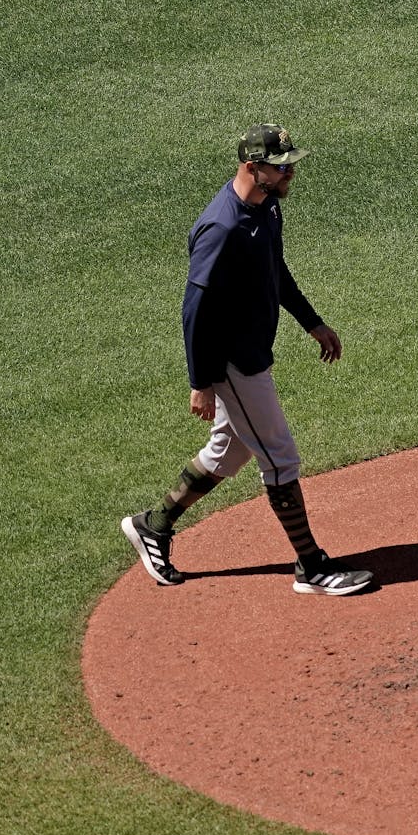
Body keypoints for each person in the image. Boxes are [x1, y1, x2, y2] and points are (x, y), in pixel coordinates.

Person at [121, 123, 374, 596]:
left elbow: (275, 269)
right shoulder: (222, 227)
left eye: (289, 167)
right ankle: (312, 567)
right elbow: (193, 310)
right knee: (280, 458)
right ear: (251, 167)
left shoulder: (267, 206)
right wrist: (201, 382)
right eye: (280, 168)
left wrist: (312, 322)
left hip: (255, 350)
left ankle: (152, 525)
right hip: (234, 363)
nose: (288, 176)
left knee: (229, 450)